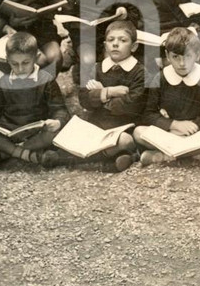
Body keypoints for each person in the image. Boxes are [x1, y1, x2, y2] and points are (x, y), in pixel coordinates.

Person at [49, 20, 143, 173]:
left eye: (122, 40)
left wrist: (99, 95)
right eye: (111, 40)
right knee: (68, 133)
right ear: (105, 45)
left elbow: (130, 105)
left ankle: (67, 160)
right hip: (96, 124)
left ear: (134, 46)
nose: (115, 44)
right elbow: (84, 99)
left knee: (124, 141)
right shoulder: (97, 68)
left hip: (124, 126)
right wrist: (108, 92)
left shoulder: (139, 72)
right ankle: (113, 159)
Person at [134, 27, 200, 166]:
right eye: (176, 57)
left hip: (195, 133)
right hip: (171, 133)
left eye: (188, 56)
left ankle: (165, 156)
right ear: (167, 55)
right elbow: (149, 113)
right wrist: (173, 125)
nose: (182, 63)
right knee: (138, 132)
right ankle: (194, 155)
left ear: (197, 55)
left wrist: (192, 127)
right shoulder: (160, 78)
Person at [0, 32, 67, 165]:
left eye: (25, 63)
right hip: (10, 131)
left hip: (36, 132)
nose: (20, 69)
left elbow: (60, 109)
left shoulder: (46, 80)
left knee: (55, 132)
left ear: (36, 57)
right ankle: (25, 153)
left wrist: (57, 122)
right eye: (14, 64)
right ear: (7, 60)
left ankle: (10, 151)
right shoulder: (4, 82)